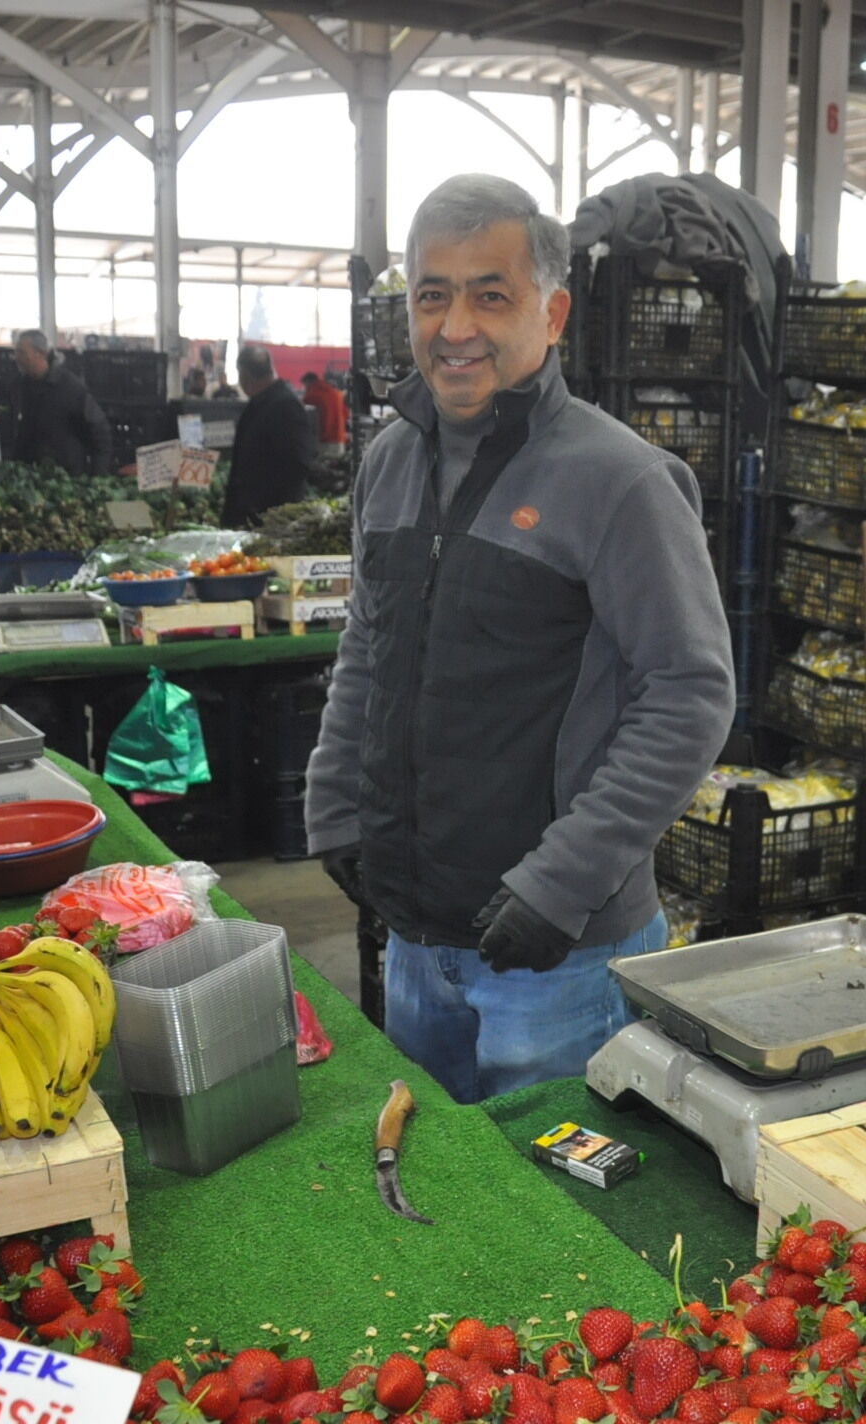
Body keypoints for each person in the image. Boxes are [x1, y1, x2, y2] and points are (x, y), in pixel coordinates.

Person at [304, 174, 733, 1104]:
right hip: (418, 938)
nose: (455, 327)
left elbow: (691, 694)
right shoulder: (389, 463)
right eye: (432, 294)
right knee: (443, 1194)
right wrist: (335, 802)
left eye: (489, 294)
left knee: (560, 1226)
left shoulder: (621, 481)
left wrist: (560, 883)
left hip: (560, 959)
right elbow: (369, 649)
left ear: (554, 311)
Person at [221, 345, 320, 527]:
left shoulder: (284, 406)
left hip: (271, 520)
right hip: (258, 515)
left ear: (245, 376)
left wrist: (269, 511)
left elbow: (298, 463)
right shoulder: (265, 402)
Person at [11, 329, 112, 476]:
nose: (16, 358)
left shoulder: (69, 387)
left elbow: (100, 431)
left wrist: (99, 475)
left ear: (39, 354)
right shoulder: (21, 385)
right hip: (29, 475)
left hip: (66, 477)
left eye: (21, 353)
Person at [300, 370, 349, 456]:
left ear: (308, 382)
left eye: (305, 385)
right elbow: (346, 414)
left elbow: (304, 413)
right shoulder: (336, 393)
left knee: (324, 467)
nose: (305, 388)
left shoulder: (313, 393)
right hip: (339, 438)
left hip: (324, 440)